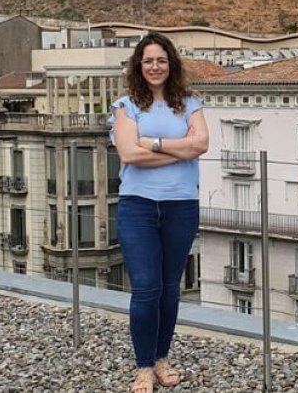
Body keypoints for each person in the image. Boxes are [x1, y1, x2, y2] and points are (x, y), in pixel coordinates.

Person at [109, 32, 209, 392]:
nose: (155, 66)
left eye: (161, 60)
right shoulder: (125, 106)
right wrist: (179, 150)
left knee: (170, 289)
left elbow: (202, 144)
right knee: (146, 288)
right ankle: (143, 366)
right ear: (139, 65)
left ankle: (162, 357)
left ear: (172, 64)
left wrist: (152, 143)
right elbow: (129, 155)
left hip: (181, 205)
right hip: (139, 206)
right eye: (148, 60)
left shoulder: (190, 103)